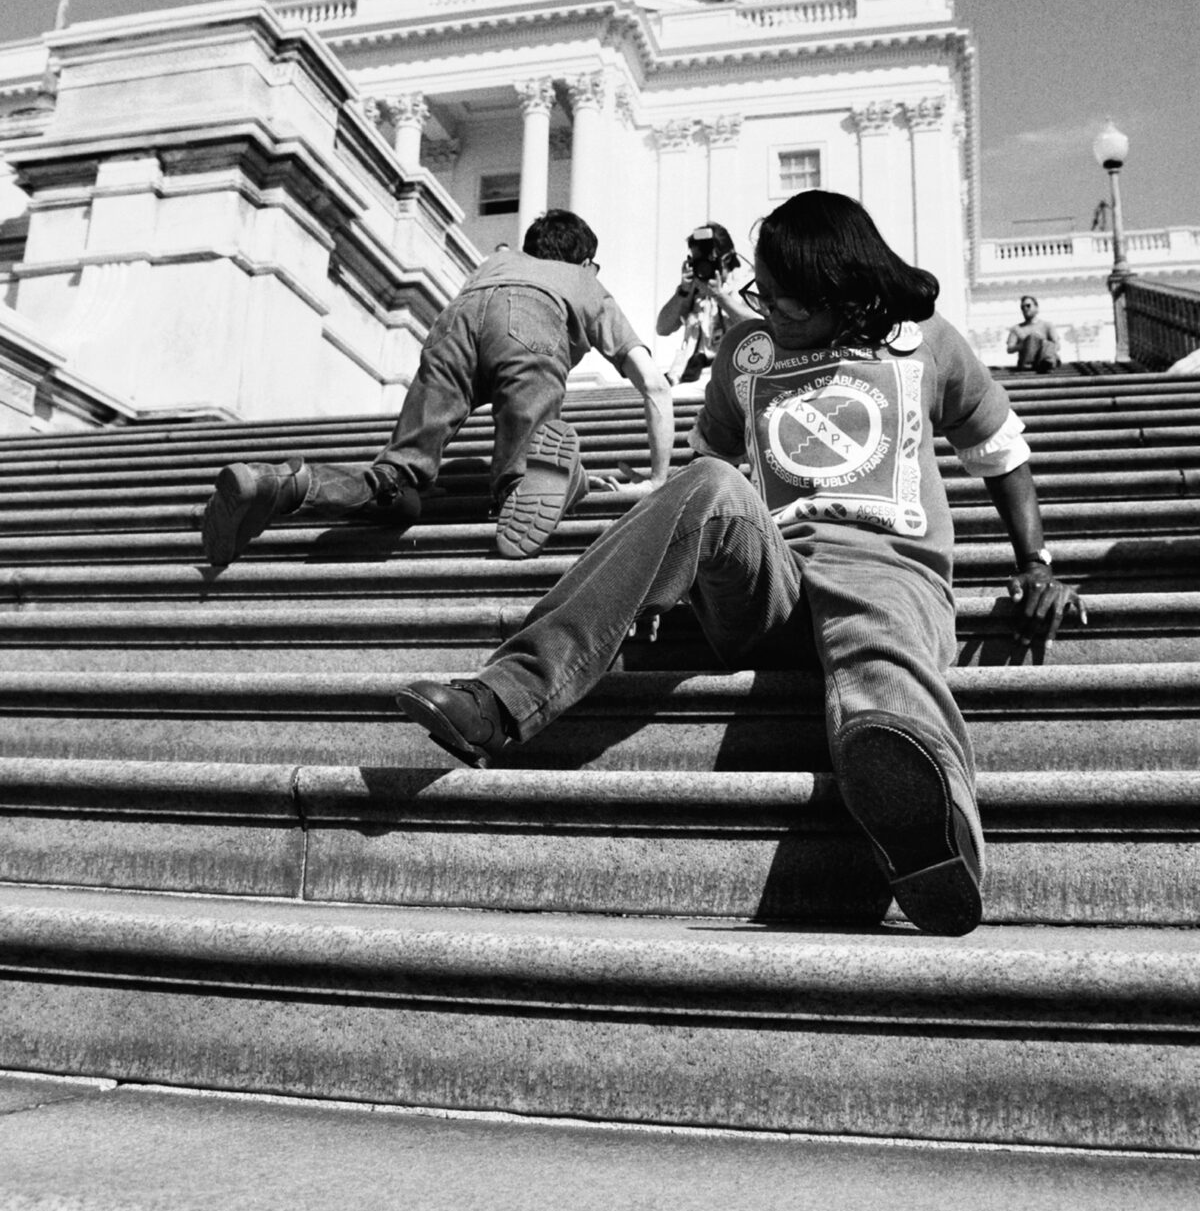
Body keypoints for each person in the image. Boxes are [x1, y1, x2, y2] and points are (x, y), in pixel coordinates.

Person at [396, 190, 1085, 938]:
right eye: (763, 292)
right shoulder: (745, 352)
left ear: (847, 295)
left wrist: (1037, 564)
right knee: (709, 482)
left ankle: (930, 838)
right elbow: (707, 477)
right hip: (774, 583)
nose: (768, 311)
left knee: (883, 664)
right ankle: (504, 697)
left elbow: (1003, 454)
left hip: (888, 571)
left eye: (789, 303)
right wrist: (660, 581)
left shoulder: (922, 344)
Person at [202, 209, 674, 567]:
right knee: (523, 471)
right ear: (589, 263)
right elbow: (654, 386)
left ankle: (278, 483)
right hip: (532, 325)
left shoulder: (495, 264)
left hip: (455, 324)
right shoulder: (582, 281)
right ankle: (539, 479)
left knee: (395, 483)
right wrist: (657, 478)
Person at [656, 223, 755, 383]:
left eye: (708, 261)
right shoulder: (693, 290)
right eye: (697, 261)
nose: (703, 267)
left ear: (727, 258)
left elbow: (759, 326)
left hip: (732, 375)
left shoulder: (745, 285)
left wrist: (720, 297)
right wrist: (683, 292)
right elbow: (662, 328)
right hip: (690, 375)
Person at [1007, 295, 1060, 373]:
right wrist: (1024, 344)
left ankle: (1046, 362)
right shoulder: (1016, 328)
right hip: (1027, 362)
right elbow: (1009, 349)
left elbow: (1057, 345)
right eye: (1022, 307)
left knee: (1047, 344)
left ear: (1036, 307)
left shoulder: (1047, 325)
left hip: (1045, 358)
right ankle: (1045, 362)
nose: (1025, 309)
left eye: (1028, 306)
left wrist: (1041, 343)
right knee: (1032, 338)